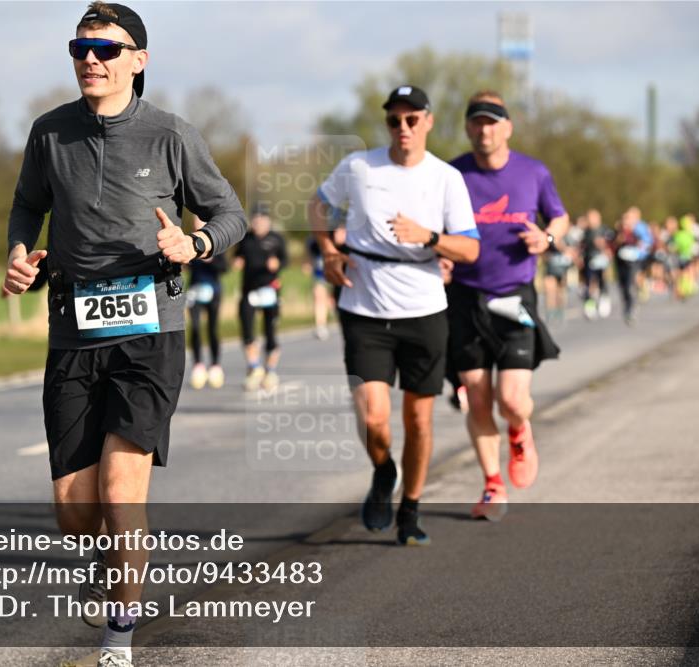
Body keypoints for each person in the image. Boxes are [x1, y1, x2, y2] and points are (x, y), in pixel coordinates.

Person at [3, 4, 246, 666]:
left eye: (106, 49)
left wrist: (192, 242)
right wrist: (22, 252)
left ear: (138, 60)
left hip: (150, 329)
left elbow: (231, 214)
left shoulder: (172, 134)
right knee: (75, 510)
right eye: (80, 46)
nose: (90, 58)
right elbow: (29, 204)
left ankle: (119, 637)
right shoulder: (49, 133)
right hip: (73, 331)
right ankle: (109, 560)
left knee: (119, 491)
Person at [310, 85, 479, 545]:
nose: (402, 128)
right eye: (393, 120)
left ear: (427, 121)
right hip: (364, 307)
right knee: (374, 417)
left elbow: (469, 247)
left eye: (411, 119)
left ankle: (411, 510)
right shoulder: (358, 167)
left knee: (419, 421)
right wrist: (328, 250)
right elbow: (318, 204)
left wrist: (428, 237)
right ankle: (384, 471)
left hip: (424, 309)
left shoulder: (446, 178)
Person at [447, 91, 569, 521]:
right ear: (468, 128)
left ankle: (519, 431)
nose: (485, 130)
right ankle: (493, 486)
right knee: (478, 401)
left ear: (507, 127)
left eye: (493, 122)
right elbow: (437, 227)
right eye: (477, 122)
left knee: (512, 399)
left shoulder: (533, 172)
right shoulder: (452, 174)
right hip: (464, 297)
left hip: (515, 296)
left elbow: (559, 217)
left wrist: (547, 238)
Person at [234, 208, 287, 391]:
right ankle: (254, 368)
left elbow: (285, 260)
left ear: (268, 221)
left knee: (270, 332)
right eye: (255, 220)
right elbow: (238, 256)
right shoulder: (246, 239)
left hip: (270, 291)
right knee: (247, 331)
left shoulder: (276, 239)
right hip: (249, 291)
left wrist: (277, 264)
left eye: (262, 220)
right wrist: (238, 262)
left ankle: (270, 371)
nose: (258, 224)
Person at [186, 216, 228, 389]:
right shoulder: (189, 240)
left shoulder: (216, 240)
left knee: (212, 327)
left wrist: (211, 259)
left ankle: (215, 365)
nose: (198, 223)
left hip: (214, 291)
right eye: (196, 220)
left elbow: (224, 267)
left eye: (201, 220)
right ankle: (198, 365)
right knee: (195, 327)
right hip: (195, 290)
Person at [614, 208, 653, 322]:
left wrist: (638, 251)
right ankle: (627, 304)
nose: (626, 220)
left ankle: (632, 307)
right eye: (625, 218)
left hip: (635, 260)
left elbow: (647, 243)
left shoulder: (640, 228)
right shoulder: (620, 229)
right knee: (623, 285)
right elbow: (613, 244)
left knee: (631, 282)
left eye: (629, 218)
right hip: (621, 260)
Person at [581, 208, 612, 319]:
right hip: (589, 260)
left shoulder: (605, 230)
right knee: (590, 283)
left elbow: (611, 244)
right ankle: (590, 304)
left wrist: (604, 246)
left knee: (602, 280)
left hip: (601, 260)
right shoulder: (585, 232)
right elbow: (582, 246)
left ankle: (604, 299)